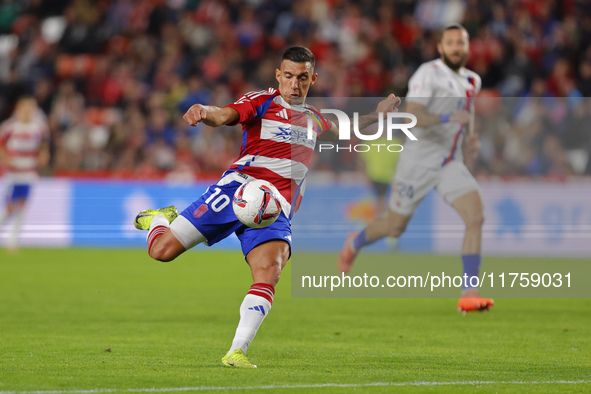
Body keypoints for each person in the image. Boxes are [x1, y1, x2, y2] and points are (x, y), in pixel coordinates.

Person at [133, 46, 401, 368]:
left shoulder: (315, 119)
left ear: (312, 79)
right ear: (278, 75)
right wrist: (205, 111)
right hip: (237, 191)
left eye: (302, 78)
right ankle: (161, 219)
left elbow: (345, 124)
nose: (294, 84)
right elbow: (225, 114)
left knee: (270, 271)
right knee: (161, 251)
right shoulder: (262, 101)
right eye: (288, 76)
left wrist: (378, 115)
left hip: (275, 209)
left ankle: (236, 351)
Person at [337, 24, 494, 314]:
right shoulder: (428, 73)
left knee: (476, 217)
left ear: (468, 47)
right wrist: (448, 116)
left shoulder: (473, 79)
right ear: (440, 48)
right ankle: (355, 241)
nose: (456, 47)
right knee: (395, 227)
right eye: (450, 43)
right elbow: (412, 116)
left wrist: (471, 137)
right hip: (417, 163)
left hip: (449, 163)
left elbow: (468, 112)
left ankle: (469, 291)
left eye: (461, 42)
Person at [0, 96, 50, 252]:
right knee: (9, 207)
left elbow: (43, 146)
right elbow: (1, 146)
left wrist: (43, 157)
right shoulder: (9, 127)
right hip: (12, 173)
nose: (29, 111)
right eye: (26, 107)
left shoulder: (39, 128)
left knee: (21, 207)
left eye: (31, 108)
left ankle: (13, 242)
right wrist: (5, 159)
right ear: (19, 109)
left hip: (28, 173)